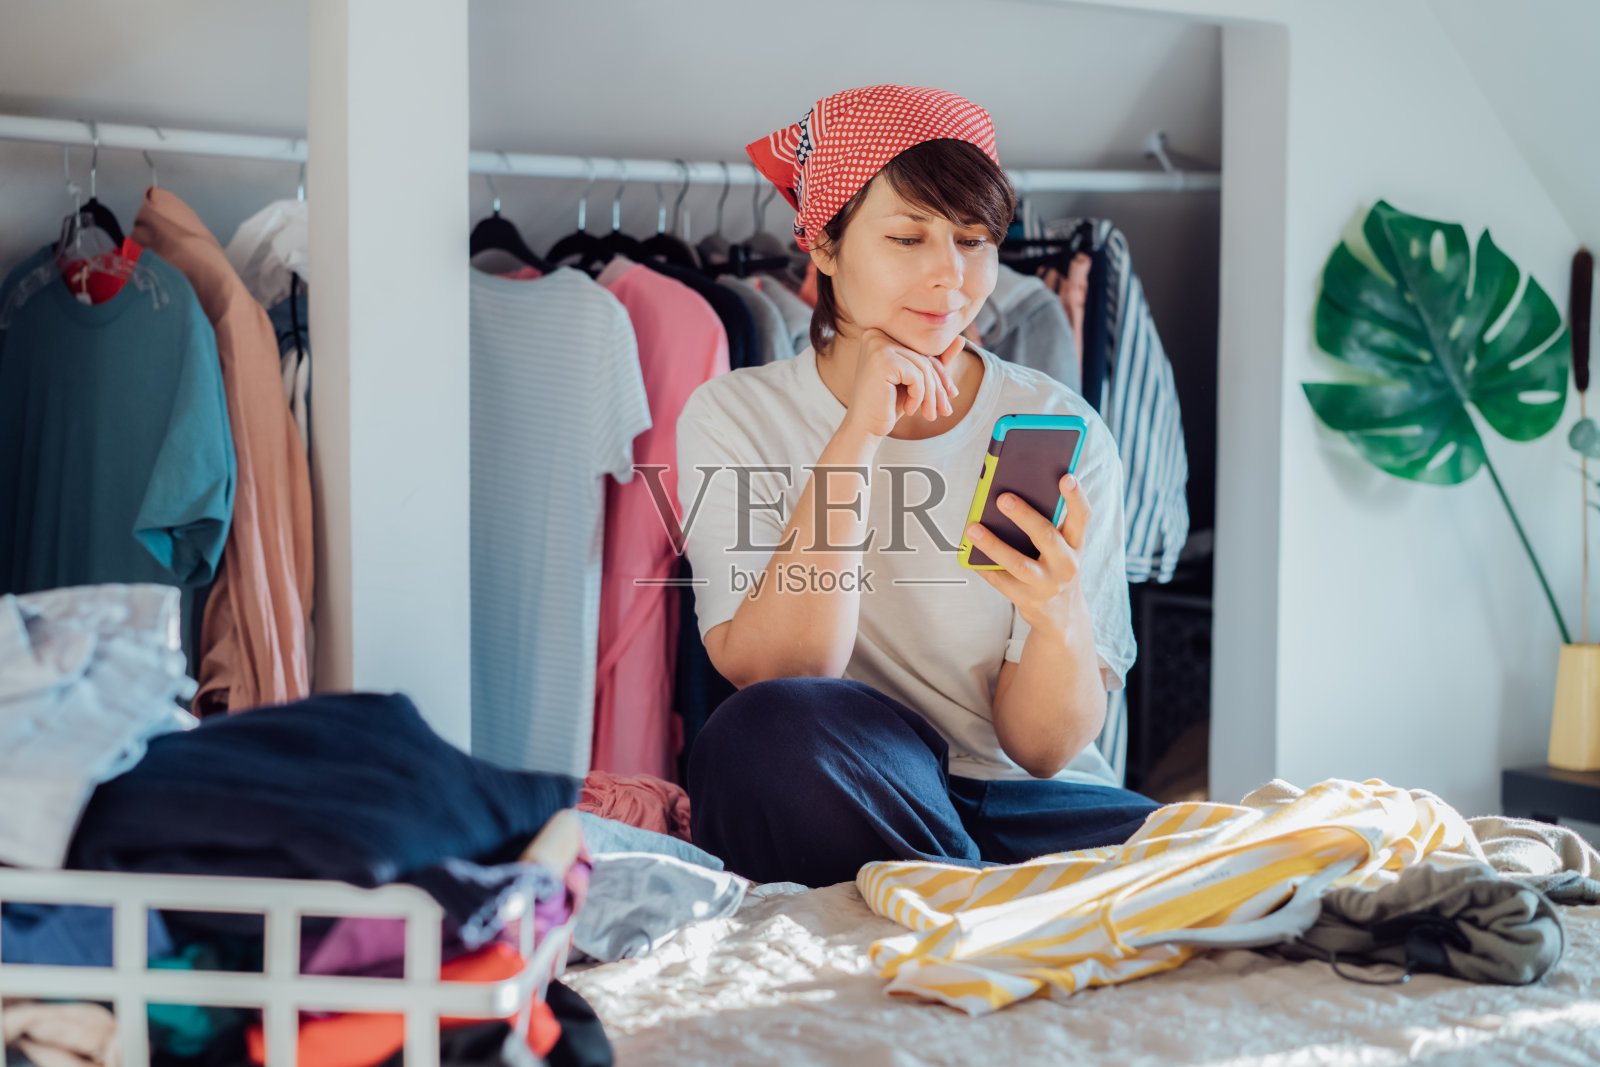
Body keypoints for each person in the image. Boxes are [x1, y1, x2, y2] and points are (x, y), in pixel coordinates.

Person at [676, 85, 1161, 888]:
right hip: (858, 784)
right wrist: (856, 436)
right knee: (754, 736)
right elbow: (788, 667)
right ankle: (984, 895)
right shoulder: (735, 414)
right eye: (909, 237)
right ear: (824, 246)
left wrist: (1057, 612)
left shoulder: (1057, 426)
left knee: (1223, 847)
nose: (952, 275)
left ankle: (959, 892)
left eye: (975, 241)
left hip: (1031, 807)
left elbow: (1043, 750)